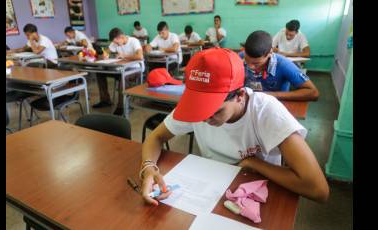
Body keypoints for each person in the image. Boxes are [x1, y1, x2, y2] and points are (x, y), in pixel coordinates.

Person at [139, 48, 329, 206]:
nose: (203, 118)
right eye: (198, 107)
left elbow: (318, 189)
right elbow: (156, 137)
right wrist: (148, 167)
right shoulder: (195, 107)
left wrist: (255, 163)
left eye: (214, 110)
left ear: (239, 95)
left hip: (259, 192)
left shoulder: (266, 111)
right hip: (213, 188)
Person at [242, 30, 318, 101]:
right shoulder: (240, 57)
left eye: (256, 64)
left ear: (270, 53)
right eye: (246, 60)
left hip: (275, 104)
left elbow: (313, 92)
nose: (250, 66)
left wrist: (269, 95)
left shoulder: (284, 65)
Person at [93, 28, 144, 115]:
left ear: (121, 37)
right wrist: (104, 55)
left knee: (122, 76)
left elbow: (140, 56)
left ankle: (122, 106)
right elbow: (106, 51)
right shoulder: (115, 42)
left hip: (135, 68)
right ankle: (105, 100)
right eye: (114, 42)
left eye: (116, 42)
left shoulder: (134, 41)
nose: (115, 44)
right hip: (121, 67)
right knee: (100, 73)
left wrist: (124, 56)